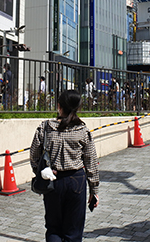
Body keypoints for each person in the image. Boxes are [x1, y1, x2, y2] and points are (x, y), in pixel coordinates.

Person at [29, 90, 99, 242]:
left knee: (53, 228)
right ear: (78, 107)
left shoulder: (46, 127)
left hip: (53, 180)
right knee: (73, 231)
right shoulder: (82, 130)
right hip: (77, 180)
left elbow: (34, 156)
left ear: (59, 106)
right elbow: (91, 161)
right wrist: (94, 189)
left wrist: (42, 174)